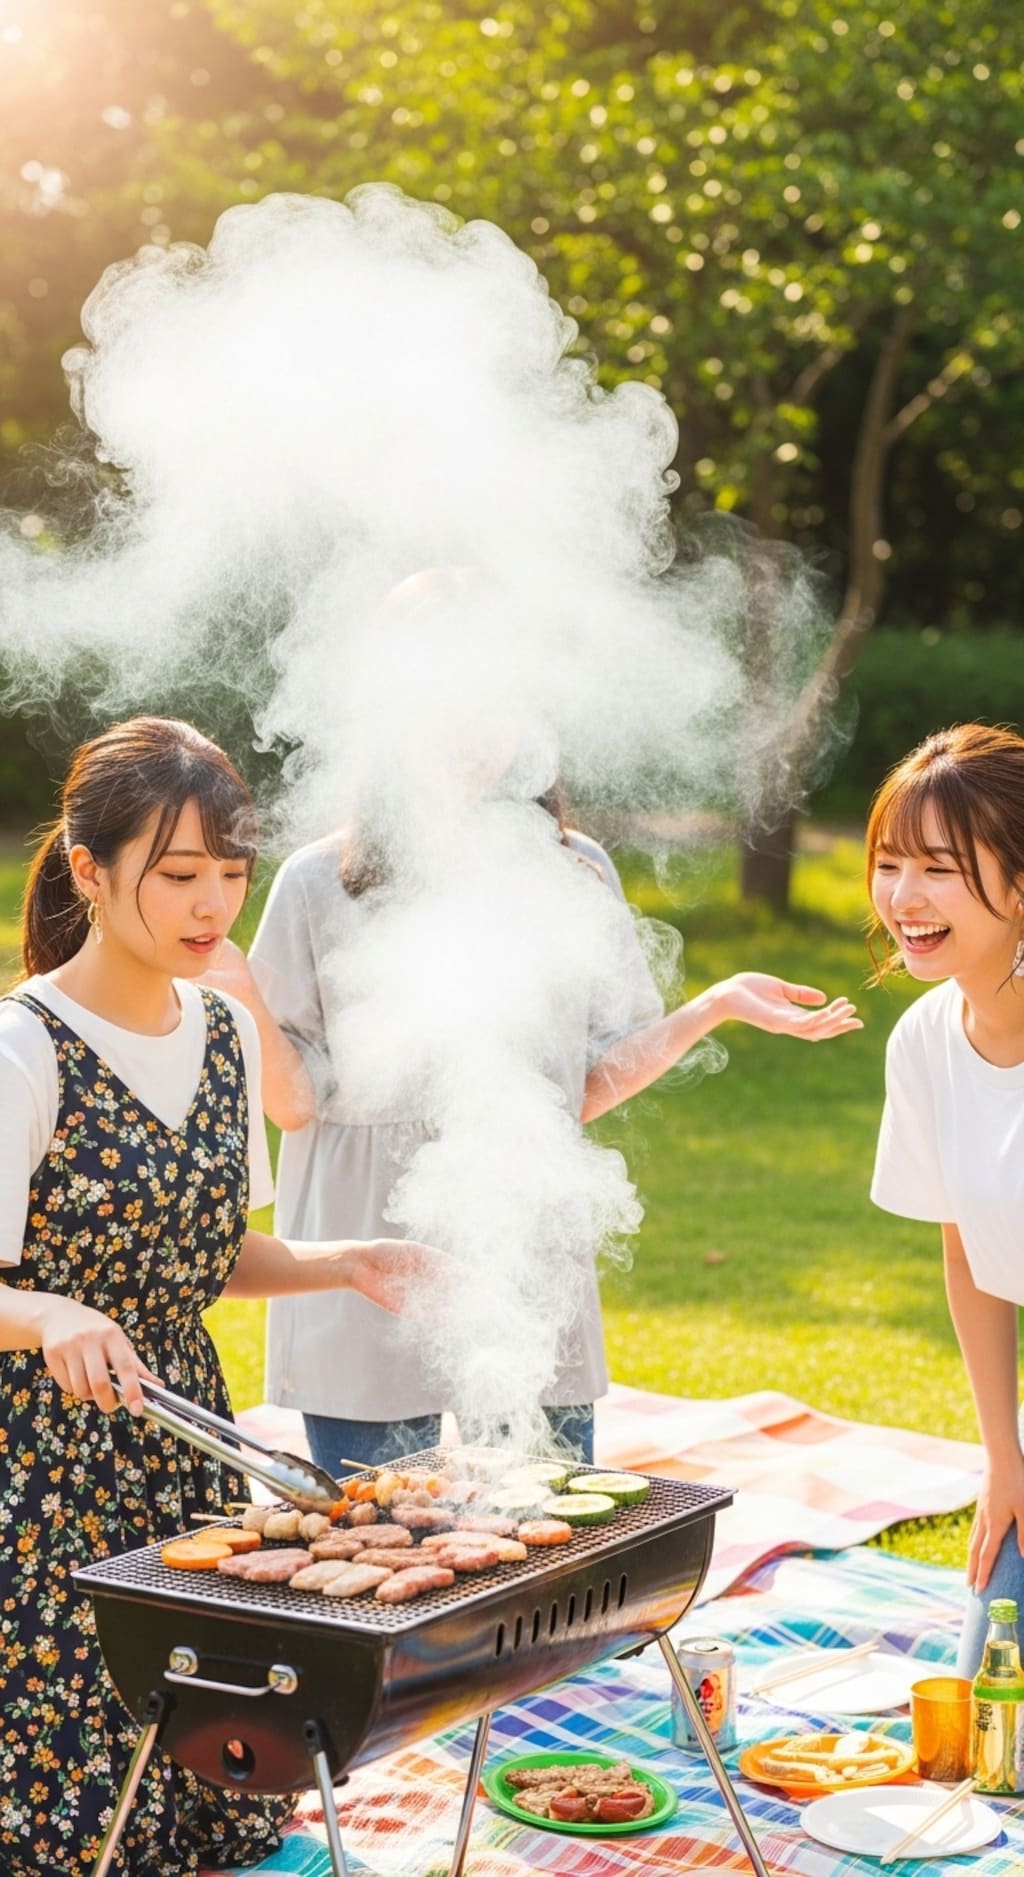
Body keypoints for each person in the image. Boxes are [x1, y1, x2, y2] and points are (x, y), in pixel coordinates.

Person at [0, 716, 454, 1877]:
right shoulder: (24, 1049)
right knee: (77, 1796)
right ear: (89, 868)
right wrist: (49, 1312)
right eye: (181, 873)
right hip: (40, 1463)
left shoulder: (222, 1029)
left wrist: (340, 1256)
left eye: (232, 874)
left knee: (209, 1762)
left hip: (184, 1437)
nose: (214, 906)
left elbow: (205, 1253)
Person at [210, 785, 861, 1479]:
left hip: (528, 1247)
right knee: (387, 1551)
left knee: (546, 1527)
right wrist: (243, 991)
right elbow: (294, 1103)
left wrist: (712, 1005)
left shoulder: (577, 870)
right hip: (367, 1258)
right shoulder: (317, 880)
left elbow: (581, 1083)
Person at [868, 723, 1024, 1677]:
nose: (904, 897)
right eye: (890, 863)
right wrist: (1002, 1457)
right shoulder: (926, 1042)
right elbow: (969, 1252)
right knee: (984, 1709)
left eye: (939, 867)